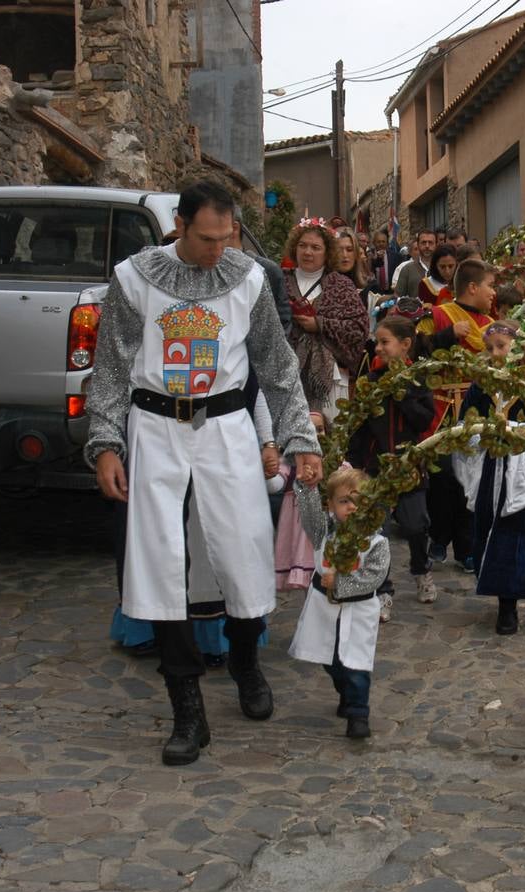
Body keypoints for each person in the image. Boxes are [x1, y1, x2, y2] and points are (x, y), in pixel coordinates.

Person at [85, 181, 322, 766]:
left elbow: (276, 364)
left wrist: (299, 437)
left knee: (242, 551)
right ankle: (186, 705)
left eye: (228, 237)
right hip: (155, 428)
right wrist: (105, 443)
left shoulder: (247, 279)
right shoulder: (134, 278)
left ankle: (244, 658)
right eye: (207, 238)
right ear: (181, 226)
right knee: (162, 561)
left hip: (225, 429)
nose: (220, 248)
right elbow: (111, 367)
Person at [457, 321, 525, 635]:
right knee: (488, 531)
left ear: (519, 348)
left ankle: (510, 603)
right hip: (490, 466)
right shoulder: (481, 385)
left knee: (515, 535)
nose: (496, 353)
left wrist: (521, 434)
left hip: (519, 469)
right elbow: (465, 422)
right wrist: (477, 434)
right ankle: (499, 595)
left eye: (502, 346)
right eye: (491, 347)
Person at [288, 466, 391, 740]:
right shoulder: (324, 532)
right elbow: (309, 513)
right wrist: (306, 486)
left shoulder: (376, 542)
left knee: (356, 661)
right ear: (331, 505)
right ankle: (345, 691)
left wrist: (342, 584)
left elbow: (374, 576)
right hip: (324, 608)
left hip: (359, 609)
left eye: (357, 501)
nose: (351, 507)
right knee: (331, 659)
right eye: (344, 501)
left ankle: (358, 713)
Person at [346, 315, 439, 612]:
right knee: (379, 530)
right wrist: (355, 463)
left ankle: (421, 568)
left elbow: (425, 419)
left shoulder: (419, 378)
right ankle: (383, 588)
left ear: (405, 344)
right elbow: (358, 427)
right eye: (377, 342)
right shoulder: (369, 381)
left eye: (385, 342)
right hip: (376, 468)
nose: (378, 348)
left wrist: (403, 396)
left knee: (415, 524)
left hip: (409, 465)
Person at [425, 259, 498, 569]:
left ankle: (468, 547)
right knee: (443, 476)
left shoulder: (493, 325)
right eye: (490, 286)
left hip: (478, 409)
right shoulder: (440, 315)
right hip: (443, 407)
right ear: (472, 287)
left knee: (473, 477)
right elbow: (416, 349)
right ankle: (439, 537)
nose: (494, 293)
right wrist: (447, 335)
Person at [284, 220, 368, 425]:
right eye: (303, 245)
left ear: (327, 252)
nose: (308, 252)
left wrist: (320, 324)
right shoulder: (281, 281)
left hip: (330, 379)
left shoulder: (341, 285)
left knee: (331, 441)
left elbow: (359, 329)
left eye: (315, 247)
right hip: (287, 376)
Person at [273, 410, 328, 591]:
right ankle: (309, 611)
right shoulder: (290, 461)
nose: (315, 435)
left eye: (320, 429)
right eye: (310, 429)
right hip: (300, 525)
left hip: (327, 522)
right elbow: (275, 484)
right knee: (308, 575)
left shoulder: (334, 459)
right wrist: (268, 471)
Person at [393, 229, 437, 298]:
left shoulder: (443, 267)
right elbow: (397, 297)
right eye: (423, 242)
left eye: (430, 242)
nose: (427, 246)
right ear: (418, 245)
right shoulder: (407, 269)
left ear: (436, 245)